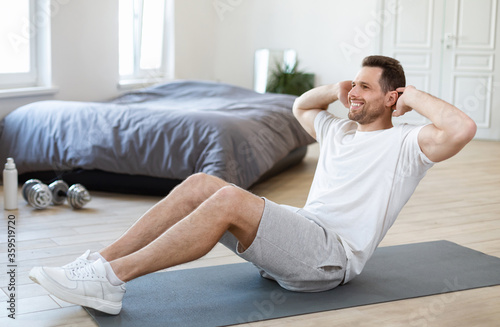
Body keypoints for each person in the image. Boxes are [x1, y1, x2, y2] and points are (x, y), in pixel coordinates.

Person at [29, 55, 477, 315]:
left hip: (329, 257)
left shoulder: (407, 144)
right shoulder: (339, 132)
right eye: (353, 85)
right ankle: (98, 264)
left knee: (227, 197)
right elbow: (301, 107)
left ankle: (112, 280)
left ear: (391, 97)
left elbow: (462, 128)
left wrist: (410, 96)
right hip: (299, 234)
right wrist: (338, 87)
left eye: (365, 87)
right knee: (203, 183)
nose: (353, 94)